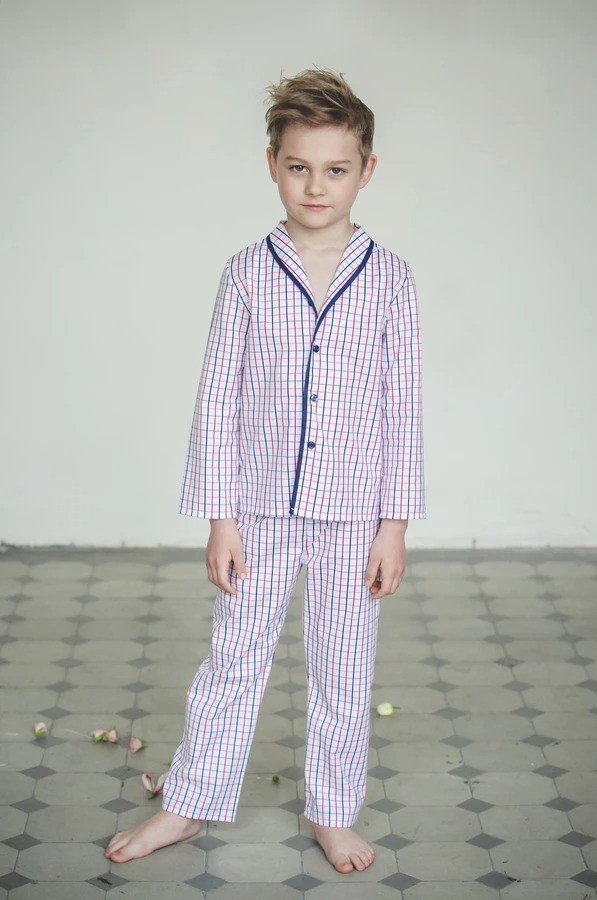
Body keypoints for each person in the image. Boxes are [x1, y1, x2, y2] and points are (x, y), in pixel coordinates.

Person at [106, 67, 425, 874]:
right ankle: (188, 802)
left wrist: (393, 526)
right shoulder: (247, 273)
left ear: (366, 170)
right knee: (234, 659)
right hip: (257, 511)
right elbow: (217, 399)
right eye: (299, 167)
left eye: (336, 168)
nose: (316, 186)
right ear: (272, 164)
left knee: (343, 671)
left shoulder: (391, 279)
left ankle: (333, 812)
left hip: (355, 515)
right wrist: (220, 519)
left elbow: (405, 409)